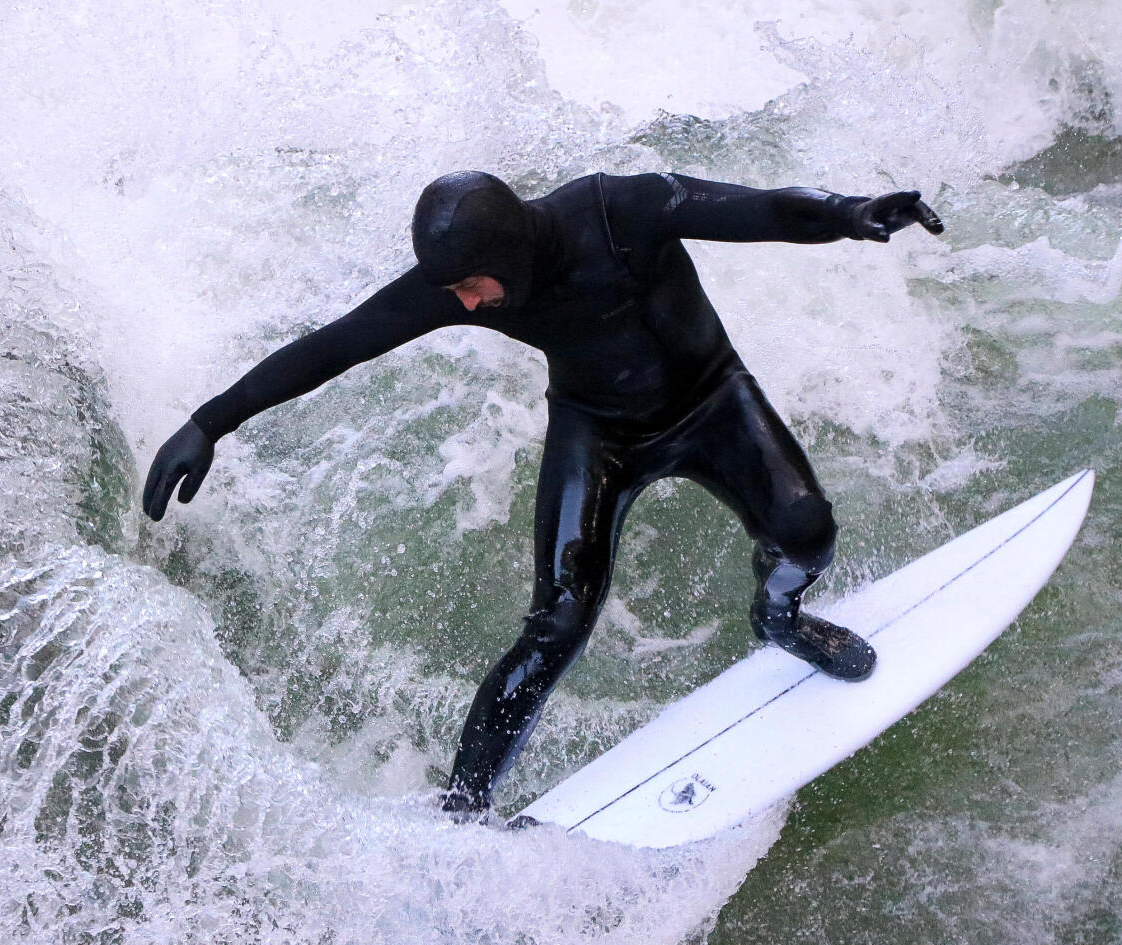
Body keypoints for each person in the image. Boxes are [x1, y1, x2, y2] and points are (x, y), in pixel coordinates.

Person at [143, 170, 944, 817]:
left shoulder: (622, 208)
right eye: (449, 290)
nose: (460, 303)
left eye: (468, 285)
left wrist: (849, 211)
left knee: (806, 532)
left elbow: (757, 209)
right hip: (599, 430)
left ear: (511, 252)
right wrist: (210, 422)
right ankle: (463, 809)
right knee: (557, 620)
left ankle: (780, 619)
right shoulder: (459, 282)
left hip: (712, 397)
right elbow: (336, 345)